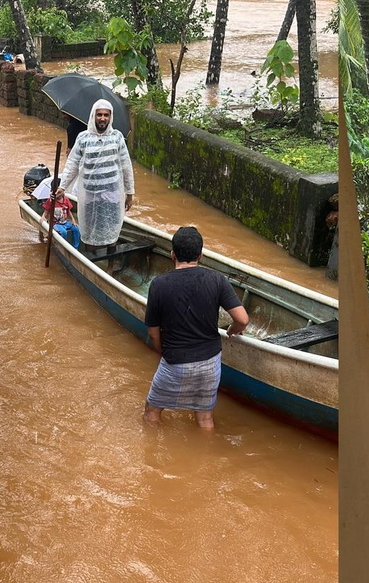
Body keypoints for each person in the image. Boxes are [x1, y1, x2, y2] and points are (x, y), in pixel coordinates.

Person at [143, 226, 249, 429]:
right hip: (210, 363)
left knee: (152, 411)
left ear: (172, 254)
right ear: (200, 255)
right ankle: (207, 450)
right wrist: (232, 330)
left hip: (175, 361)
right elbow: (242, 320)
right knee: (205, 418)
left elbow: (153, 333)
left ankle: (152, 448)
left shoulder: (159, 284)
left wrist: (164, 353)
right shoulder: (217, 279)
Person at [58, 99, 134, 255]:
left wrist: (130, 193)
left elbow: (126, 166)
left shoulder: (117, 137)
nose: (103, 118)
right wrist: (62, 186)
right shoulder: (83, 138)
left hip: (112, 193)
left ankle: (110, 265)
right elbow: (72, 164)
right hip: (89, 194)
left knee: (112, 229)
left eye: (106, 115)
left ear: (110, 117)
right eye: (99, 115)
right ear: (93, 116)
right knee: (89, 230)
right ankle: (90, 259)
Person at [38, 185, 81, 250]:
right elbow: (45, 212)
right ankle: (63, 248)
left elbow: (69, 211)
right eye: (56, 193)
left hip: (65, 222)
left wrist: (73, 220)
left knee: (77, 229)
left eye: (59, 192)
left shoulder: (66, 199)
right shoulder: (51, 201)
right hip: (56, 223)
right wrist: (43, 217)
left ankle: (76, 247)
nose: (57, 194)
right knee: (64, 232)